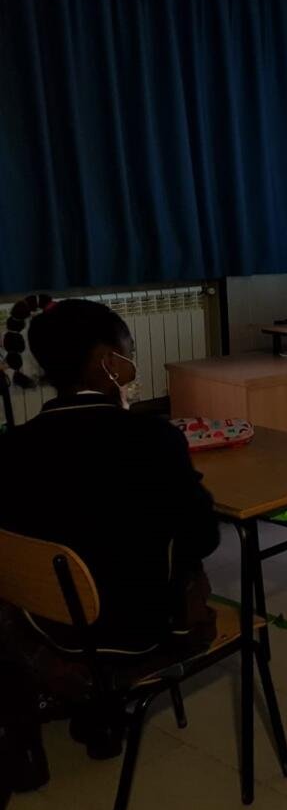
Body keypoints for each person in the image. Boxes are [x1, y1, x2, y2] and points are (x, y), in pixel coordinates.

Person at [0, 300, 219, 759]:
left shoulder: (12, 446)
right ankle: (108, 691)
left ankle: (84, 693)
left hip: (45, 624)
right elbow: (204, 537)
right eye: (128, 353)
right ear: (108, 362)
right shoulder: (154, 440)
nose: (131, 364)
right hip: (140, 629)